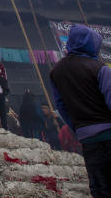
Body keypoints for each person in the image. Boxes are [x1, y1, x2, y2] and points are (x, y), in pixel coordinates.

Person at [50, 25, 111, 195]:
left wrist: (78, 129)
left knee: (100, 187)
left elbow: (62, 106)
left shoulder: (56, 72)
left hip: (88, 139)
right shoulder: (100, 68)